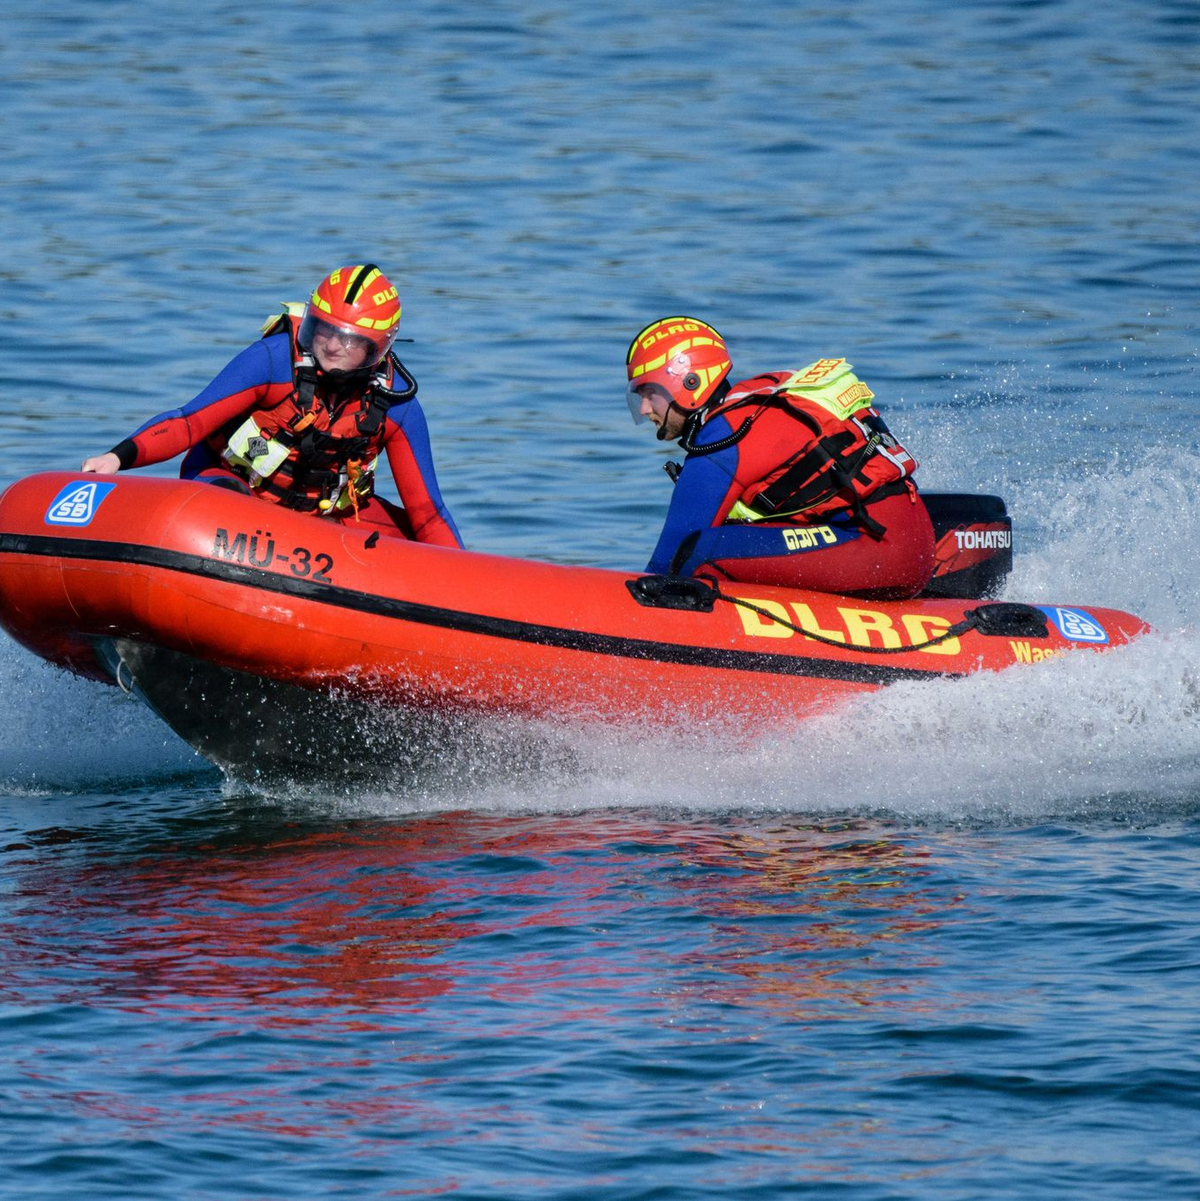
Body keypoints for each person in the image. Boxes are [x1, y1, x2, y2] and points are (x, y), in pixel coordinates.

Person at [82, 264, 462, 546]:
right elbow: (187, 423)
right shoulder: (273, 360)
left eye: (347, 340)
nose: (330, 346)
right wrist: (117, 458)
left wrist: (467, 584)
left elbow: (428, 512)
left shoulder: (396, 405)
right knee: (227, 507)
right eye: (324, 329)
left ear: (376, 349)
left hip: (322, 518)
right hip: (230, 487)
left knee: (414, 538)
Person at [624, 316, 934, 598]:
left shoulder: (722, 438)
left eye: (650, 393)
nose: (644, 409)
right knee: (730, 540)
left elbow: (668, 560)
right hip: (906, 543)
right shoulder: (758, 399)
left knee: (697, 550)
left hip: (881, 552)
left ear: (688, 383)